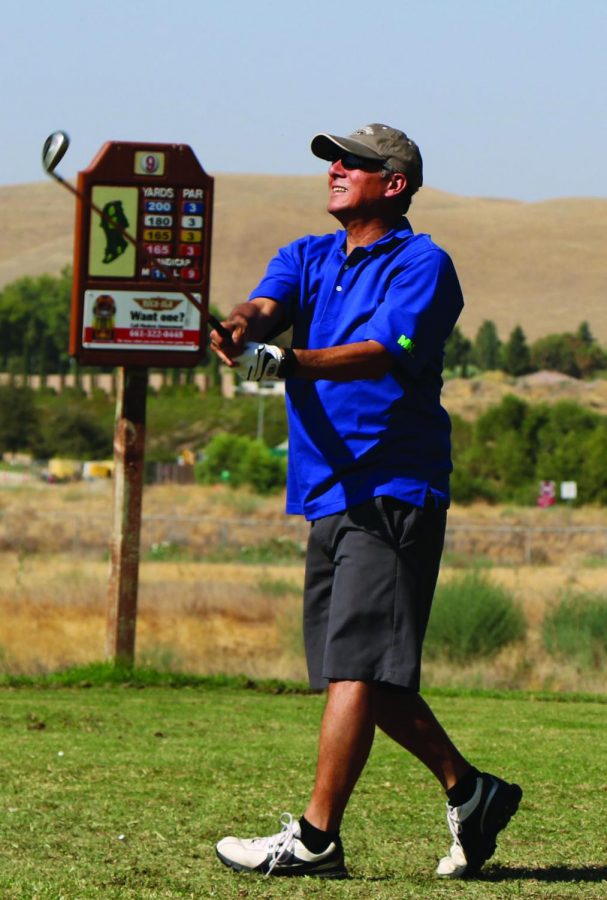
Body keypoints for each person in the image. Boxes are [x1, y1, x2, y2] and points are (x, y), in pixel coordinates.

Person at [210, 123, 522, 880]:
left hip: (393, 489)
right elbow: (264, 304)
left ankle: (316, 840)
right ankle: (471, 791)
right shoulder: (307, 254)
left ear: (395, 183)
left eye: (354, 163)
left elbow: (387, 351)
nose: (336, 170)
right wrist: (240, 329)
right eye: (332, 162)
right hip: (327, 491)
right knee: (364, 675)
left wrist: (285, 362)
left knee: (355, 668)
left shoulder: (423, 265)